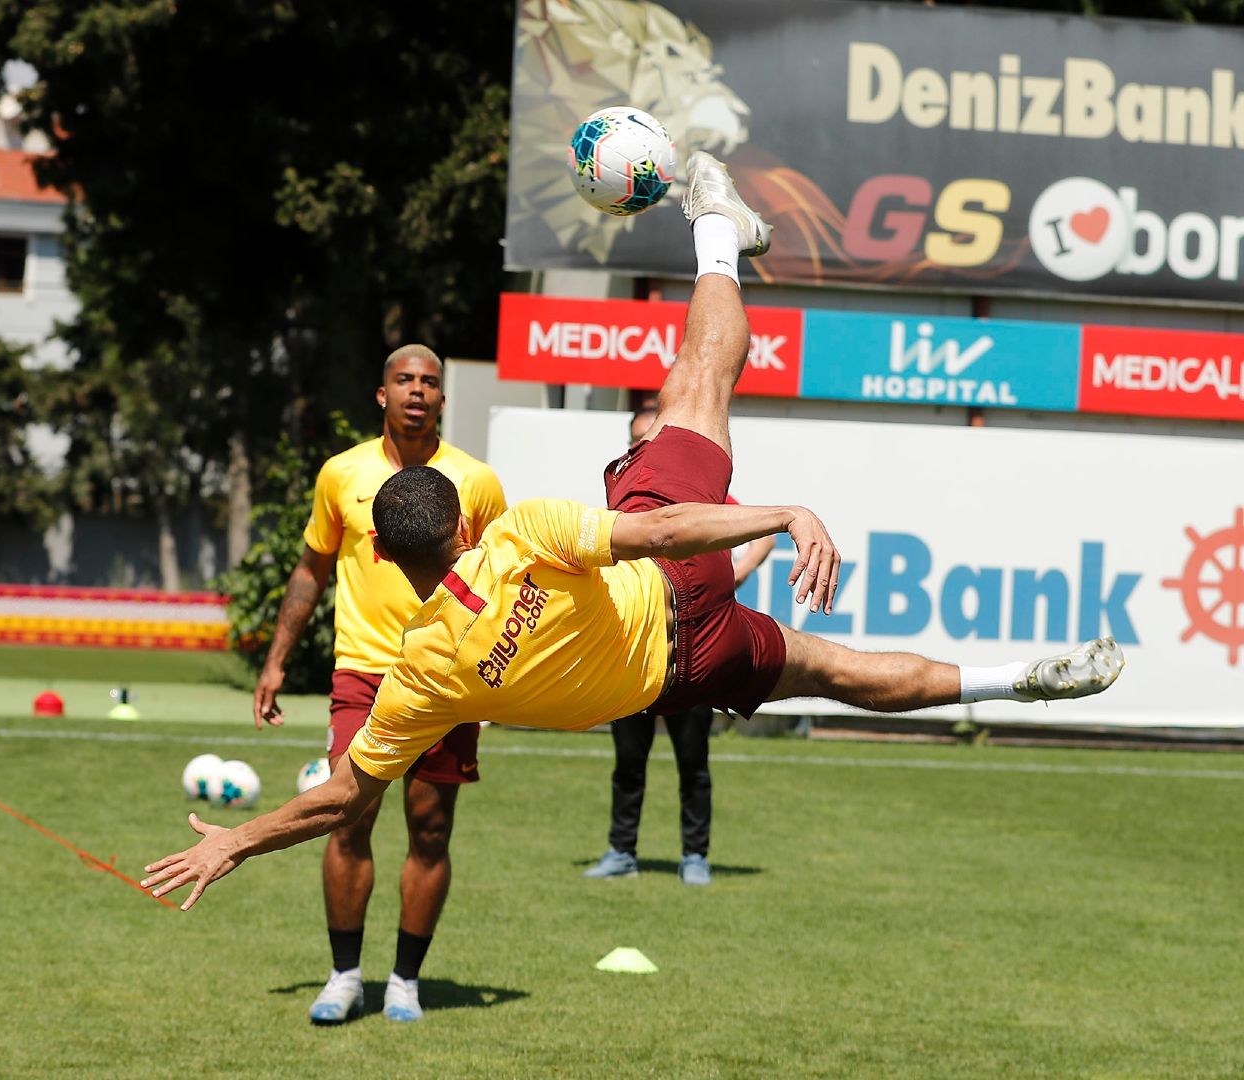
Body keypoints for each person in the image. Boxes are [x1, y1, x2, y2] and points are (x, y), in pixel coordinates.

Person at [144, 152, 1124, 913]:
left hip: (677, 674)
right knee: (698, 383)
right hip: (680, 588)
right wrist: (779, 512)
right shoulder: (519, 532)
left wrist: (236, 840)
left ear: (386, 556)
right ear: (456, 511)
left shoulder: (423, 672)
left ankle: (1015, 681)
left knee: (835, 670)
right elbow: (660, 537)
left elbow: (341, 798)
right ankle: (714, 233)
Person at [252, 344, 507, 1025]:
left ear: (443, 399)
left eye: (430, 382)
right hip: (363, 669)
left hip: (450, 674)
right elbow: (311, 569)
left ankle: (404, 982)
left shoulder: (476, 482)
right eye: (405, 380)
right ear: (381, 394)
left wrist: (500, 673)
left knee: (430, 828)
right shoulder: (341, 474)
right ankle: (343, 977)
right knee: (345, 815)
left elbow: (502, 576)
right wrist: (277, 659)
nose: (417, 391)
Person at [584, 405, 772, 887]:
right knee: (628, 760)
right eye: (634, 439)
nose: (640, 445)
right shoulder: (622, 497)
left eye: (647, 436)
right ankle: (621, 851)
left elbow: (763, 534)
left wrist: (737, 573)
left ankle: (695, 857)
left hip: (692, 648)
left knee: (693, 762)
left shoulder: (700, 499)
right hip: (632, 650)